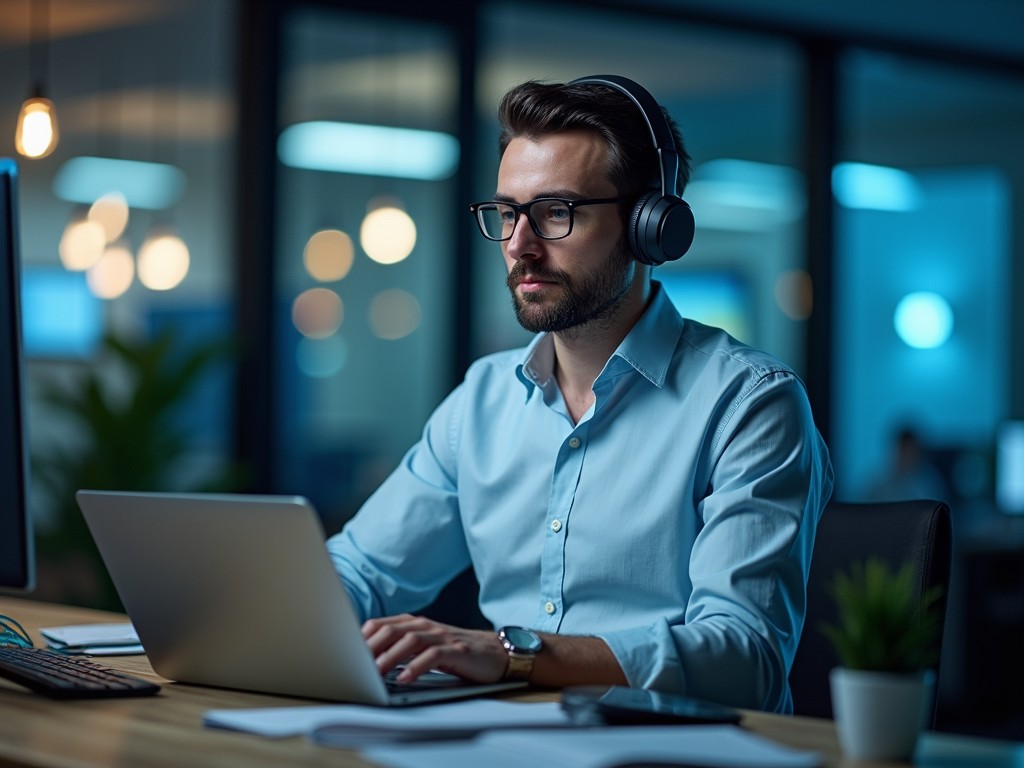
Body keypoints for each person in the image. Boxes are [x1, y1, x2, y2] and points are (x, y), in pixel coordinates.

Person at [326, 75, 834, 713]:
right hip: (495, 747)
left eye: (556, 212)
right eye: (508, 213)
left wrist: (515, 656)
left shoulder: (749, 403)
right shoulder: (482, 400)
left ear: (652, 225)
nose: (519, 245)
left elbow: (745, 658)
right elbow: (358, 569)